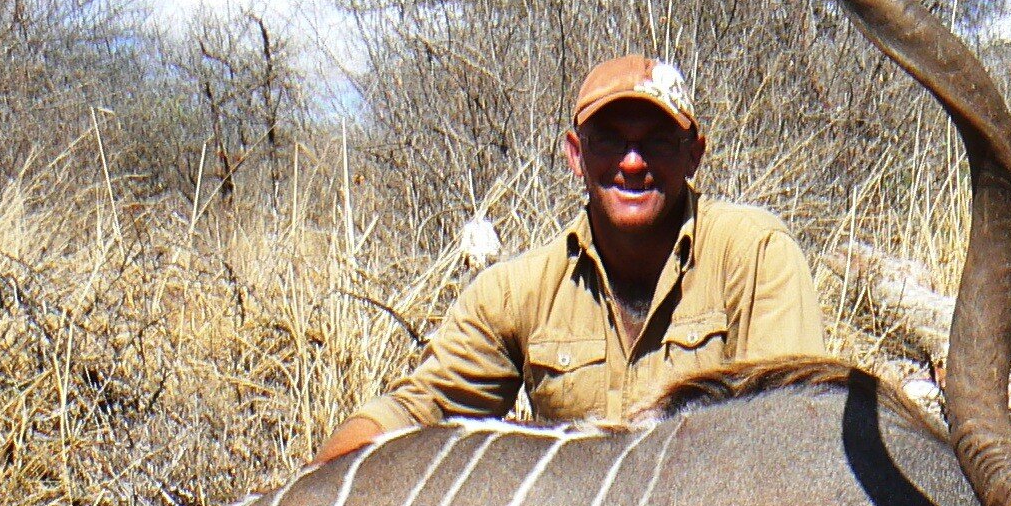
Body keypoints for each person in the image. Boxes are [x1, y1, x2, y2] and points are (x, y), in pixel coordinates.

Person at [313, 55, 824, 459]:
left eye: (658, 141)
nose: (631, 162)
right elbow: (415, 409)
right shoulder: (517, 291)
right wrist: (322, 488)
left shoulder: (755, 255)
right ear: (576, 154)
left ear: (695, 153)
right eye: (610, 141)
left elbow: (788, 440)